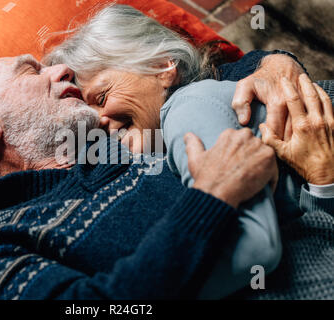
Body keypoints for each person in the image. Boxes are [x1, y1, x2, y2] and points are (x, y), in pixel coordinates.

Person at [0, 51, 332, 299]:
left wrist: (274, 64)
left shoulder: (126, 143)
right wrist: (211, 197)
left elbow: (215, 75)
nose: (62, 69)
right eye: (30, 71)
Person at [44, 5, 334, 298]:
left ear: (162, 67)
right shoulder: (156, 144)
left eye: (102, 97)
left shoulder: (185, 110)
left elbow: (258, 248)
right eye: (90, 118)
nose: (100, 123)